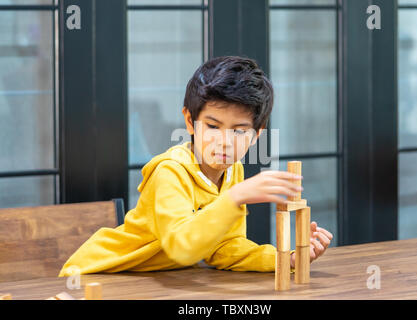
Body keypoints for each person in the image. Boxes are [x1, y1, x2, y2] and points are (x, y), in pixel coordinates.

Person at [59, 56, 333, 277]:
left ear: (257, 134)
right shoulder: (170, 172)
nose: (225, 142)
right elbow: (182, 246)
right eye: (213, 127)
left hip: (156, 283)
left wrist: (288, 258)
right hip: (96, 276)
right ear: (190, 122)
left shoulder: (232, 171)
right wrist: (236, 197)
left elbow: (225, 249)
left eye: (239, 131)